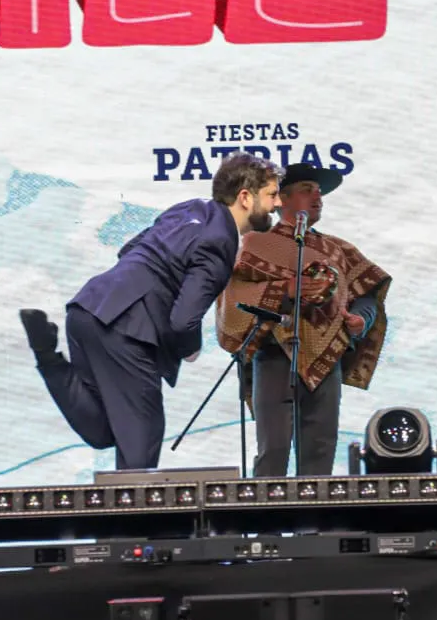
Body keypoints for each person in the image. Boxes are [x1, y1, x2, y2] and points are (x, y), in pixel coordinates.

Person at [19, 153, 283, 470]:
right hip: (125, 328)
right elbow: (183, 320)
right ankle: (132, 521)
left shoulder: (190, 209)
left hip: (89, 308)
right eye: (271, 194)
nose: (277, 203)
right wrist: (191, 347)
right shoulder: (220, 242)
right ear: (245, 197)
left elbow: (129, 249)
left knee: (105, 430)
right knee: (143, 437)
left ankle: (47, 356)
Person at [214, 164, 390, 476]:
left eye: (319, 191)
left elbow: (367, 293)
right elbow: (234, 294)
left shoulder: (340, 250)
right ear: (282, 198)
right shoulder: (255, 243)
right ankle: (268, 526)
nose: (317, 196)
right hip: (274, 354)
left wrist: (361, 320)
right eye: (308, 189)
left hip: (327, 361)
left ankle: (314, 525)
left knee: (320, 449)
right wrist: (285, 290)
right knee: (273, 450)